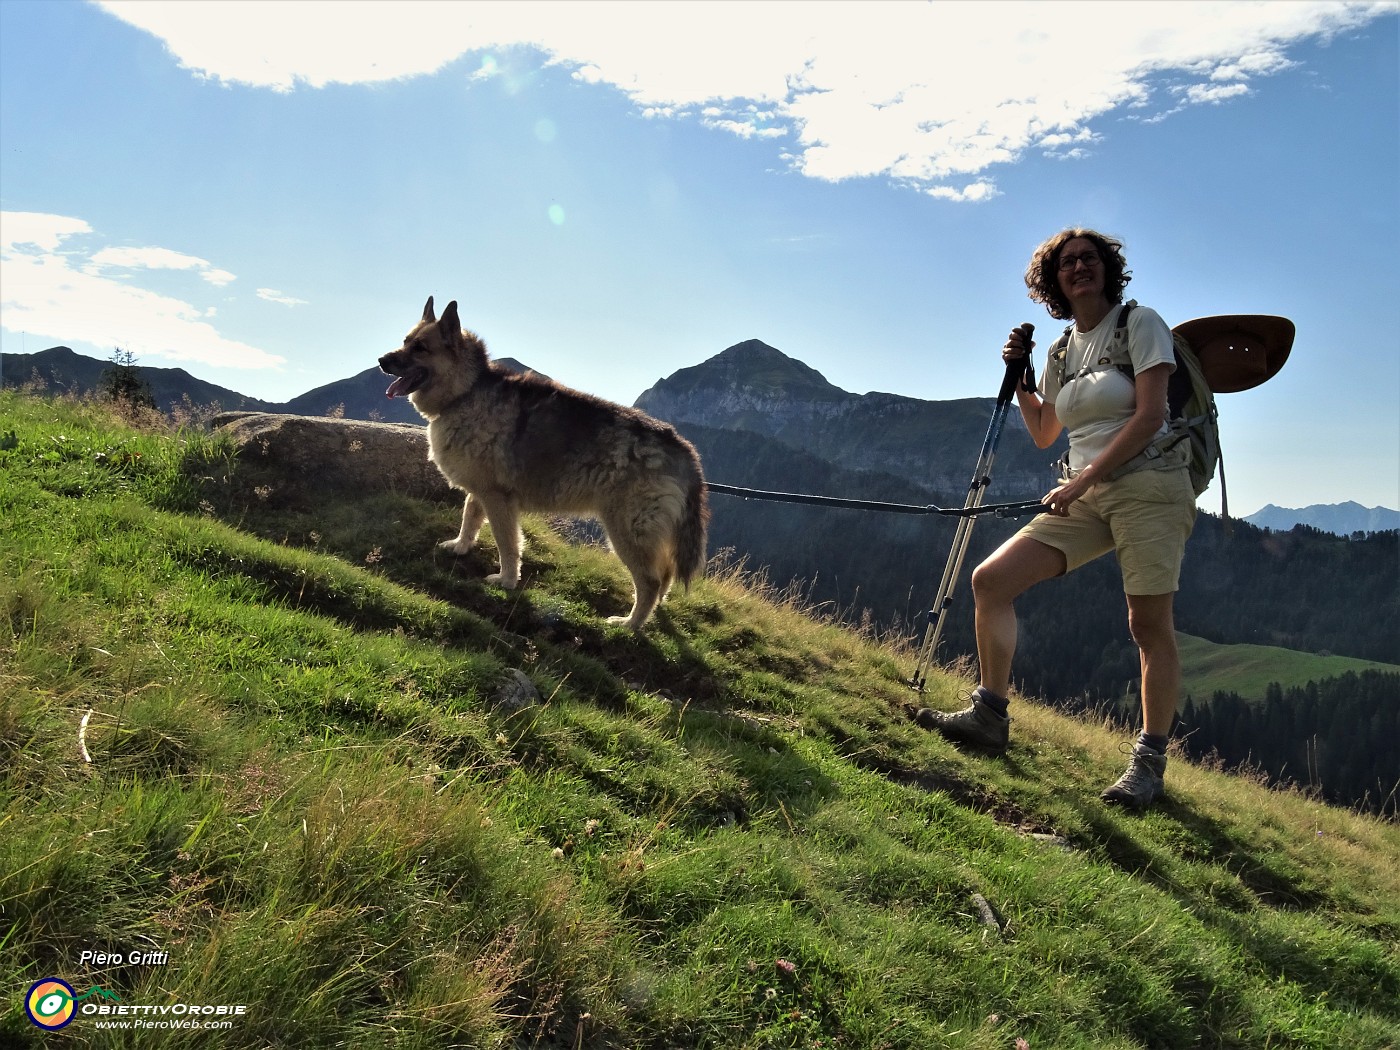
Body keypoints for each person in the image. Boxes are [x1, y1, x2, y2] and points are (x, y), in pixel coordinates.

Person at [916, 228, 1197, 809]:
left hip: (1148, 485)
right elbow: (1047, 431)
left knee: (1148, 626)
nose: (1079, 268)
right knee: (991, 581)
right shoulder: (1061, 351)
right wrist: (1021, 378)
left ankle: (1148, 765)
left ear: (1107, 268)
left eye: (1089, 259)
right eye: (1067, 263)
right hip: (1082, 490)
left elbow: (1149, 417)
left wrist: (1085, 482)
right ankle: (989, 715)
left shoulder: (1139, 324)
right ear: (1053, 281)